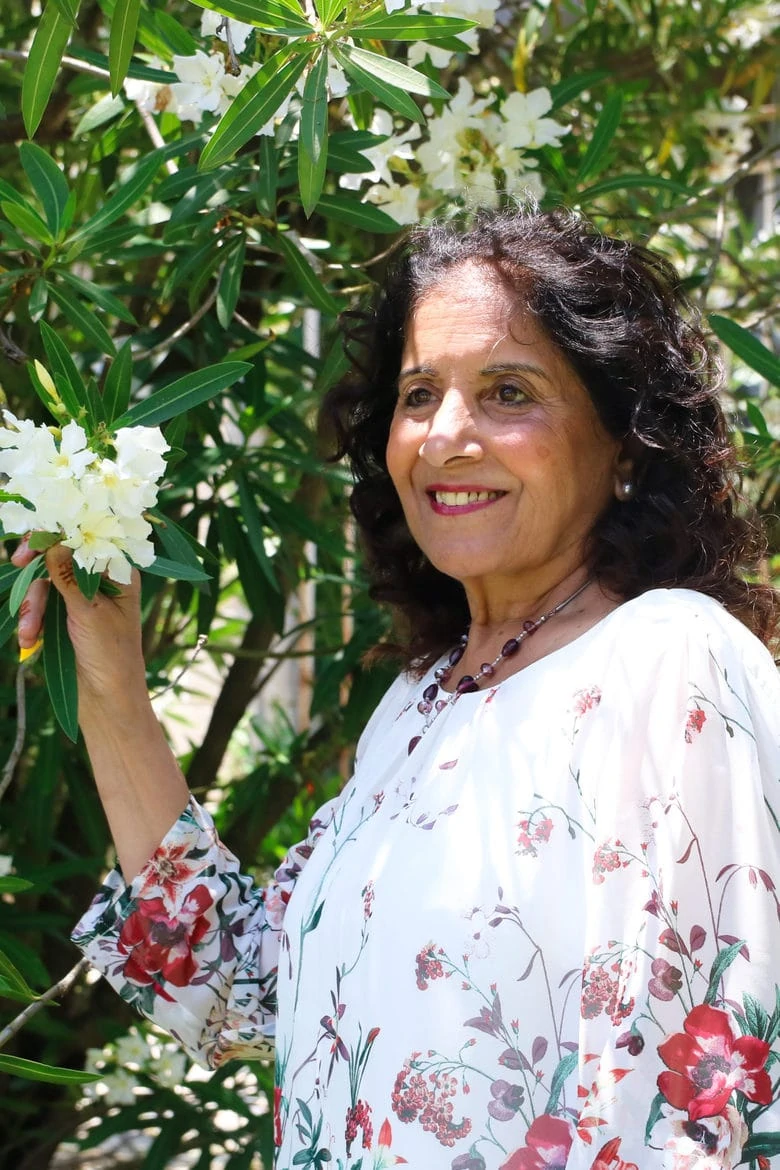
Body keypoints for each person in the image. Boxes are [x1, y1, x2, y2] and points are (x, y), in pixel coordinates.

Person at [14, 207, 780, 1169]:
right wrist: (110, 682)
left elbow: (704, 1112)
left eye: (508, 391)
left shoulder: (668, 662)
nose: (445, 437)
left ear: (625, 444)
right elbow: (246, 993)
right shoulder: (423, 702)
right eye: (420, 396)